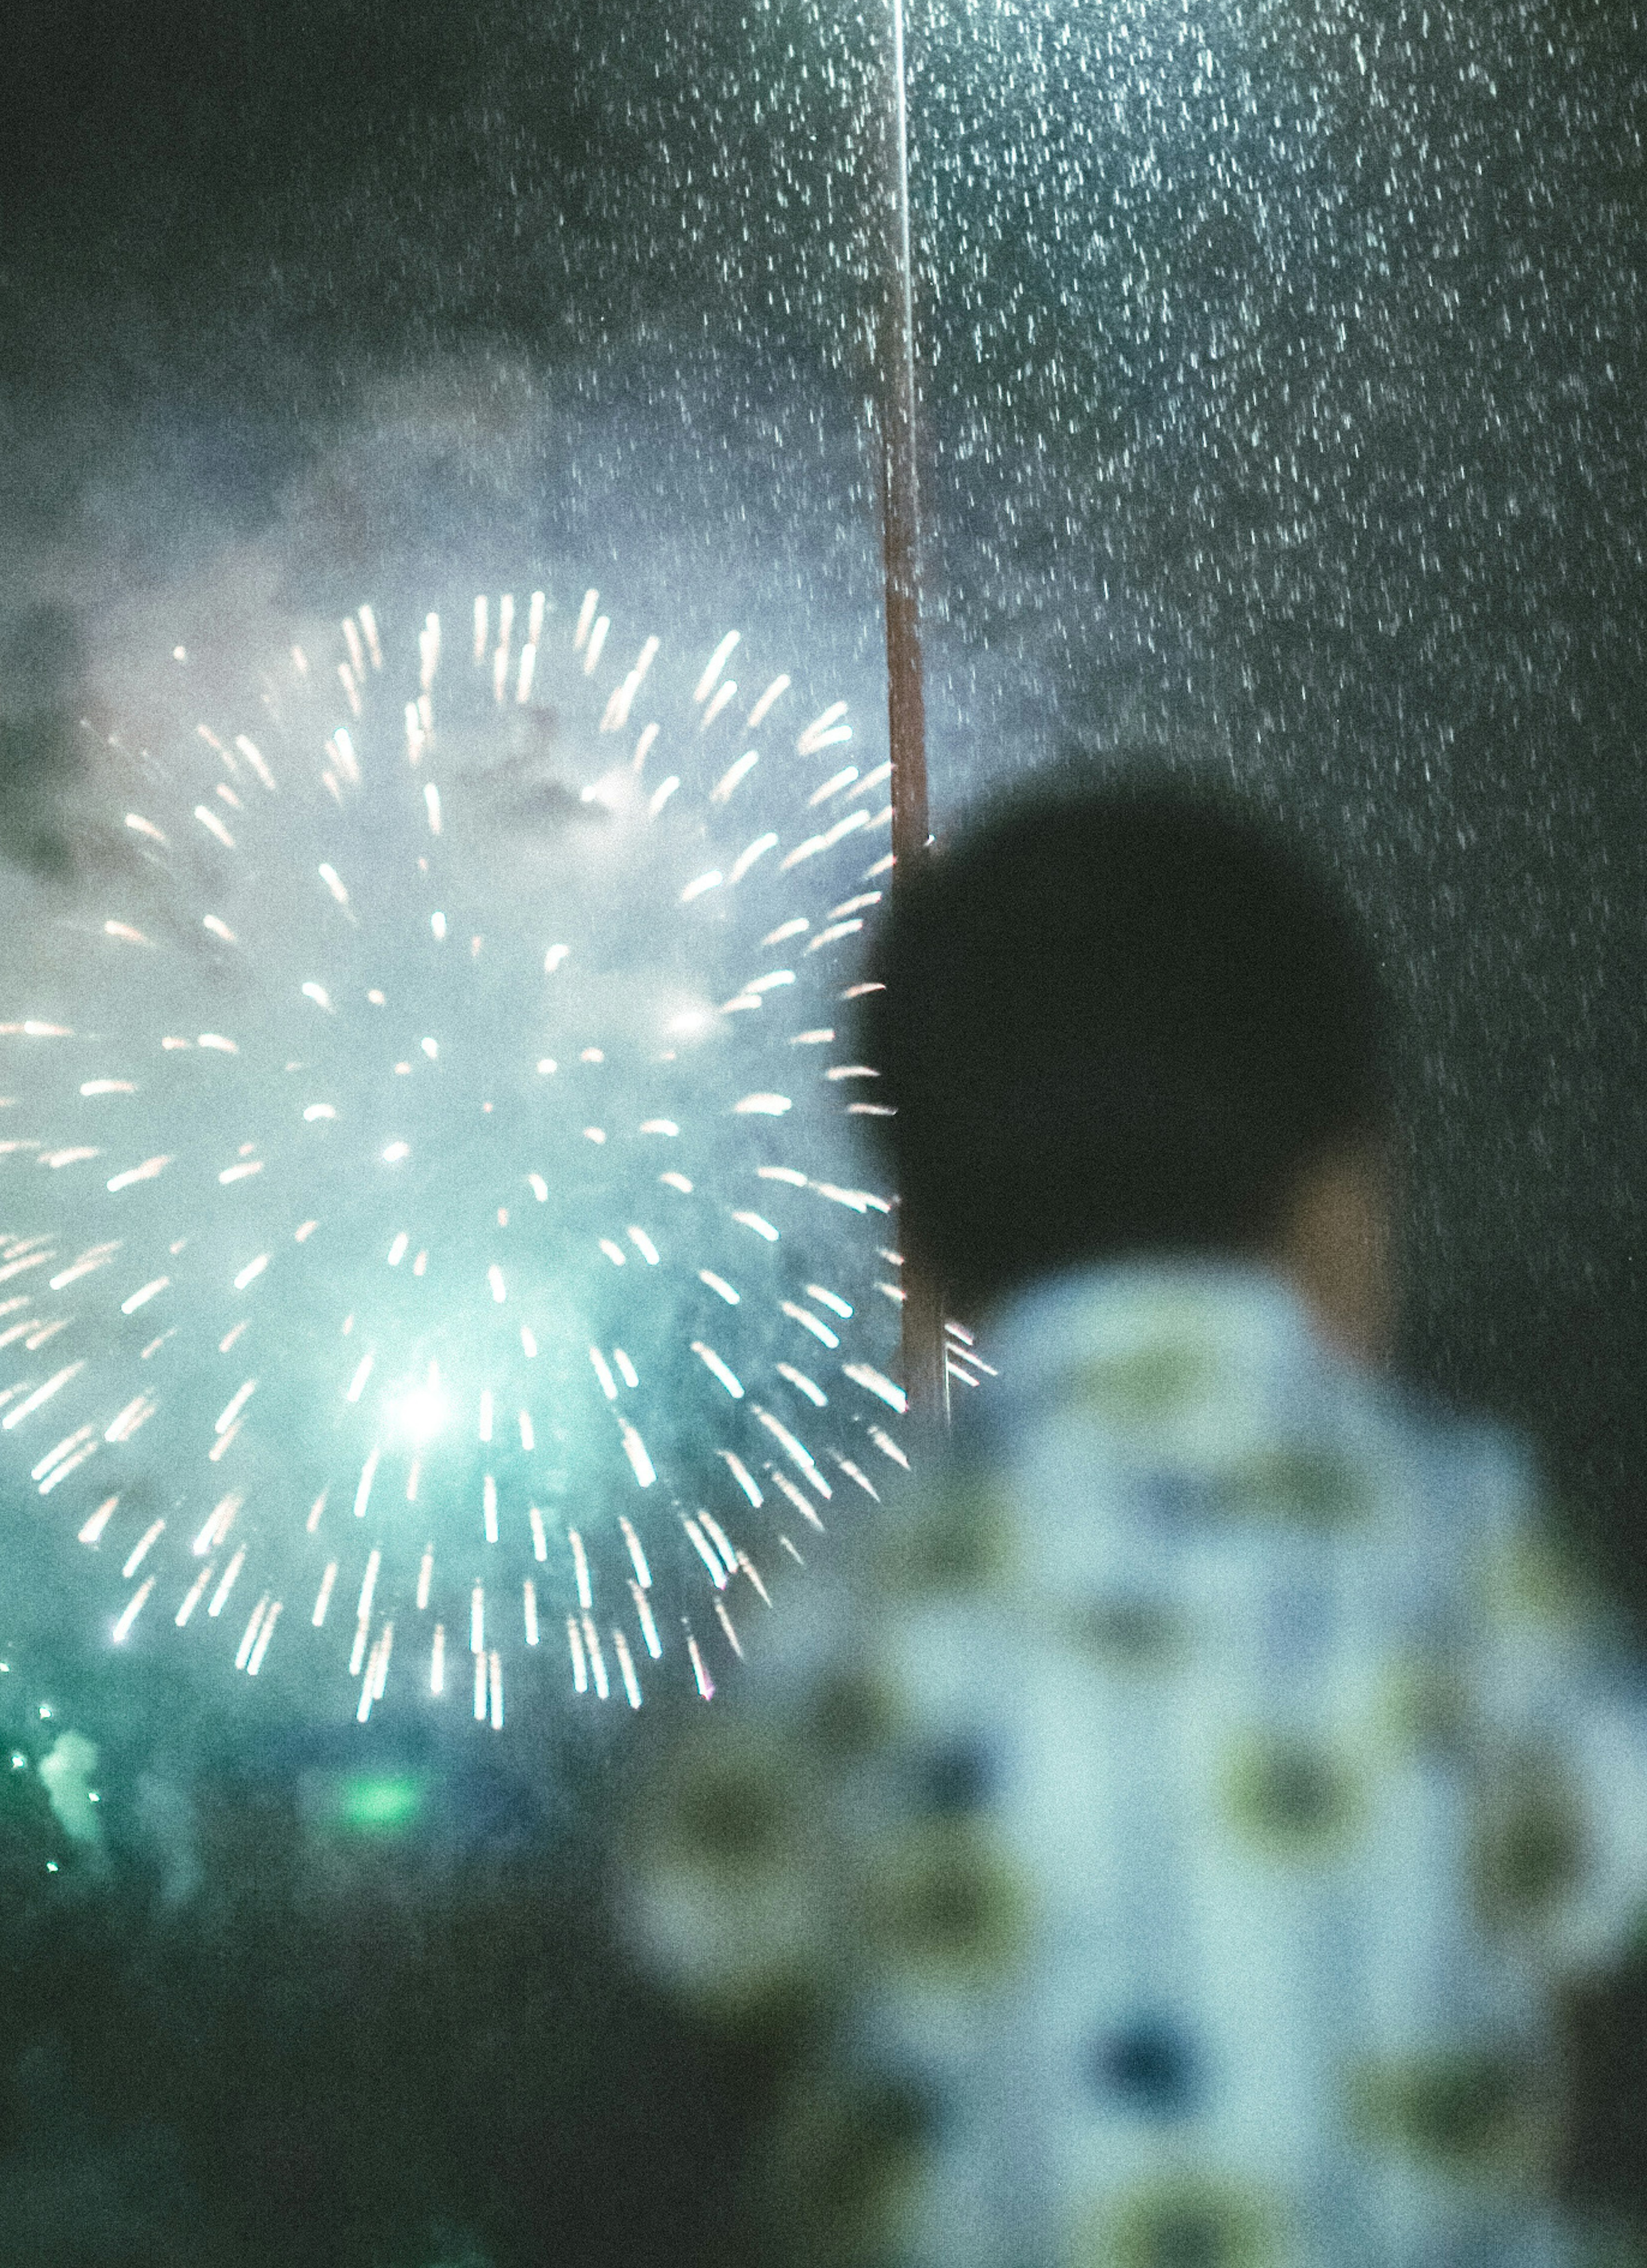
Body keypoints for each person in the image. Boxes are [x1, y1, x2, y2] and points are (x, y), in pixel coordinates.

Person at [628, 771, 1647, 2268]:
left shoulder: (854, 1581)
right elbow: (1599, 1876)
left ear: (925, 1247)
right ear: (1339, 1191)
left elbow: (711, 1926)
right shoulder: (1456, 1526)